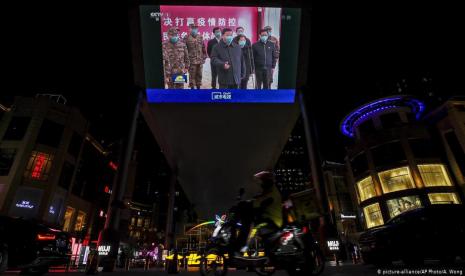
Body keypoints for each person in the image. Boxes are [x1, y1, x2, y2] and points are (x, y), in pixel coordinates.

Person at [234, 171, 283, 256]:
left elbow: (259, 202)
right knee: (252, 222)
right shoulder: (269, 191)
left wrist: (245, 204)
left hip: (272, 220)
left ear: (268, 182)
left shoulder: (272, 193)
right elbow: (258, 198)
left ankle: (243, 248)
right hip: (268, 218)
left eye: (263, 182)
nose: (261, 184)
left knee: (254, 227)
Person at [184, 23, 207, 89]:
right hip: (191, 61)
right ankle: (192, 90)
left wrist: (204, 56)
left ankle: (198, 89)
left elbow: (203, 47)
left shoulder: (200, 37)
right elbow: (184, 50)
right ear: (189, 29)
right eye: (193, 28)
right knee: (192, 77)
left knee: (199, 75)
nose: (194, 30)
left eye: (196, 28)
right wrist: (186, 61)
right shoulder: (186, 38)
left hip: (200, 61)